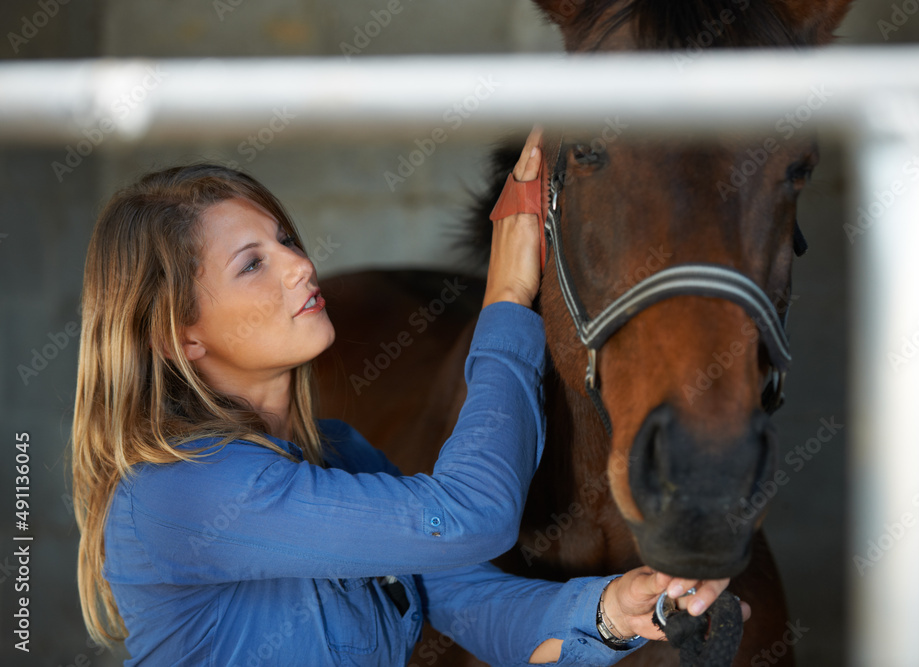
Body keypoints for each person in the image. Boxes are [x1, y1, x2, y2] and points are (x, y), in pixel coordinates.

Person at [71, 128, 748, 666]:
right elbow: (470, 517)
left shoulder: (342, 453)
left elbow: (469, 596)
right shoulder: (179, 490)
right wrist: (508, 299)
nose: (301, 263)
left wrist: (614, 610)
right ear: (177, 335)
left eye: (284, 240)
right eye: (252, 263)